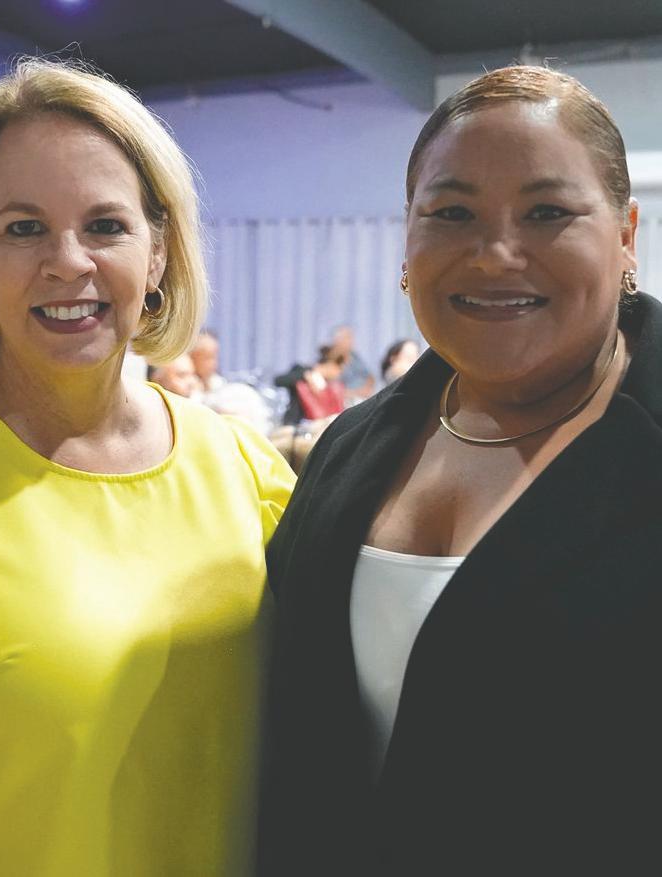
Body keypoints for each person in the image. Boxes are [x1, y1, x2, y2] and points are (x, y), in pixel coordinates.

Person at [260, 65, 662, 875]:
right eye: (452, 213)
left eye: (546, 212)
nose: (495, 254)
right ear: (406, 239)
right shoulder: (350, 449)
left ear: (625, 235)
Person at [0, 58, 294, 877]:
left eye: (105, 225)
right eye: (23, 228)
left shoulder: (244, 471)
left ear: (157, 253)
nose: (69, 261)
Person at [274, 344, 346, 426]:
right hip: (294, 425)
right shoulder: (302, 371)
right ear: (331, 365)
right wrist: (306, 375)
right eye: (339, 369)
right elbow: (278, 381)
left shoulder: (330, 385)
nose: (339, 374)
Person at [330, 323, 374, 401]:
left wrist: (368, 388)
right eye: (347, 338)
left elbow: (370, 376)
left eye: (351, 337)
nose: (351, 341)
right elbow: (332, 390)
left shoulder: (355, 356)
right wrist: (357, 393)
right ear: (337, 341)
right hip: (348, 399)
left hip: (364, 396)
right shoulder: (331, 361)